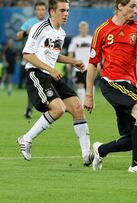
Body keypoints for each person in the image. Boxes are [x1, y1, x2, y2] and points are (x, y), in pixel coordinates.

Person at [17, 0, 93, 166]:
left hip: (52, 75)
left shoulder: (61, 33)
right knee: (58, 109)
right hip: (37, 74)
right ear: (52, 11)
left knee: (77, 108)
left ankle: (87, 155)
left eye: (67, 11)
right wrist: (51, 70)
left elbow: (53, 55)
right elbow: (28, 55)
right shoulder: (40, 28)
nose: (66, 14)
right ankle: (26, 138)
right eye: (62, 10)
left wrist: (73, 61)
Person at [84, 0, 137, 173]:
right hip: (111, 83)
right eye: (132, 6)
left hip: (131, 86)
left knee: (133, 139)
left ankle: (101, 150)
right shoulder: (102, 31)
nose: (135, 10)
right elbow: (92, 64)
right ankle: (136, 165)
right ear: (120, 6)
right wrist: (89, 95)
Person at [16, 1, 47, 119]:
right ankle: (29, 109)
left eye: (42, 9)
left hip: (45, 58)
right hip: (32, 58)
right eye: (38, 9)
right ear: (35, 11)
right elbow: (18, 36)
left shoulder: (49, 23)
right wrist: (25, 32)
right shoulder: (30, 23)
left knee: (47, 84)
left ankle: (47, 108)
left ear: (46, 11)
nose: (40, 11)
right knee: (32, 85)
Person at [67, 21, 92, 105]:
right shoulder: (75, 40)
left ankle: (90, 101)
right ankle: (82, 103)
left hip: (89, 65)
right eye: (82, 28)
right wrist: (69, 63)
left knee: (90, 84)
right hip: (79, 66)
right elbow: (71, 52)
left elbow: (95, 52)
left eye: (85, 28)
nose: (83, 29)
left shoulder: (91, 39)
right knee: (80, 84)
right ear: (79, 29)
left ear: (87, 29)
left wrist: (98, 64)